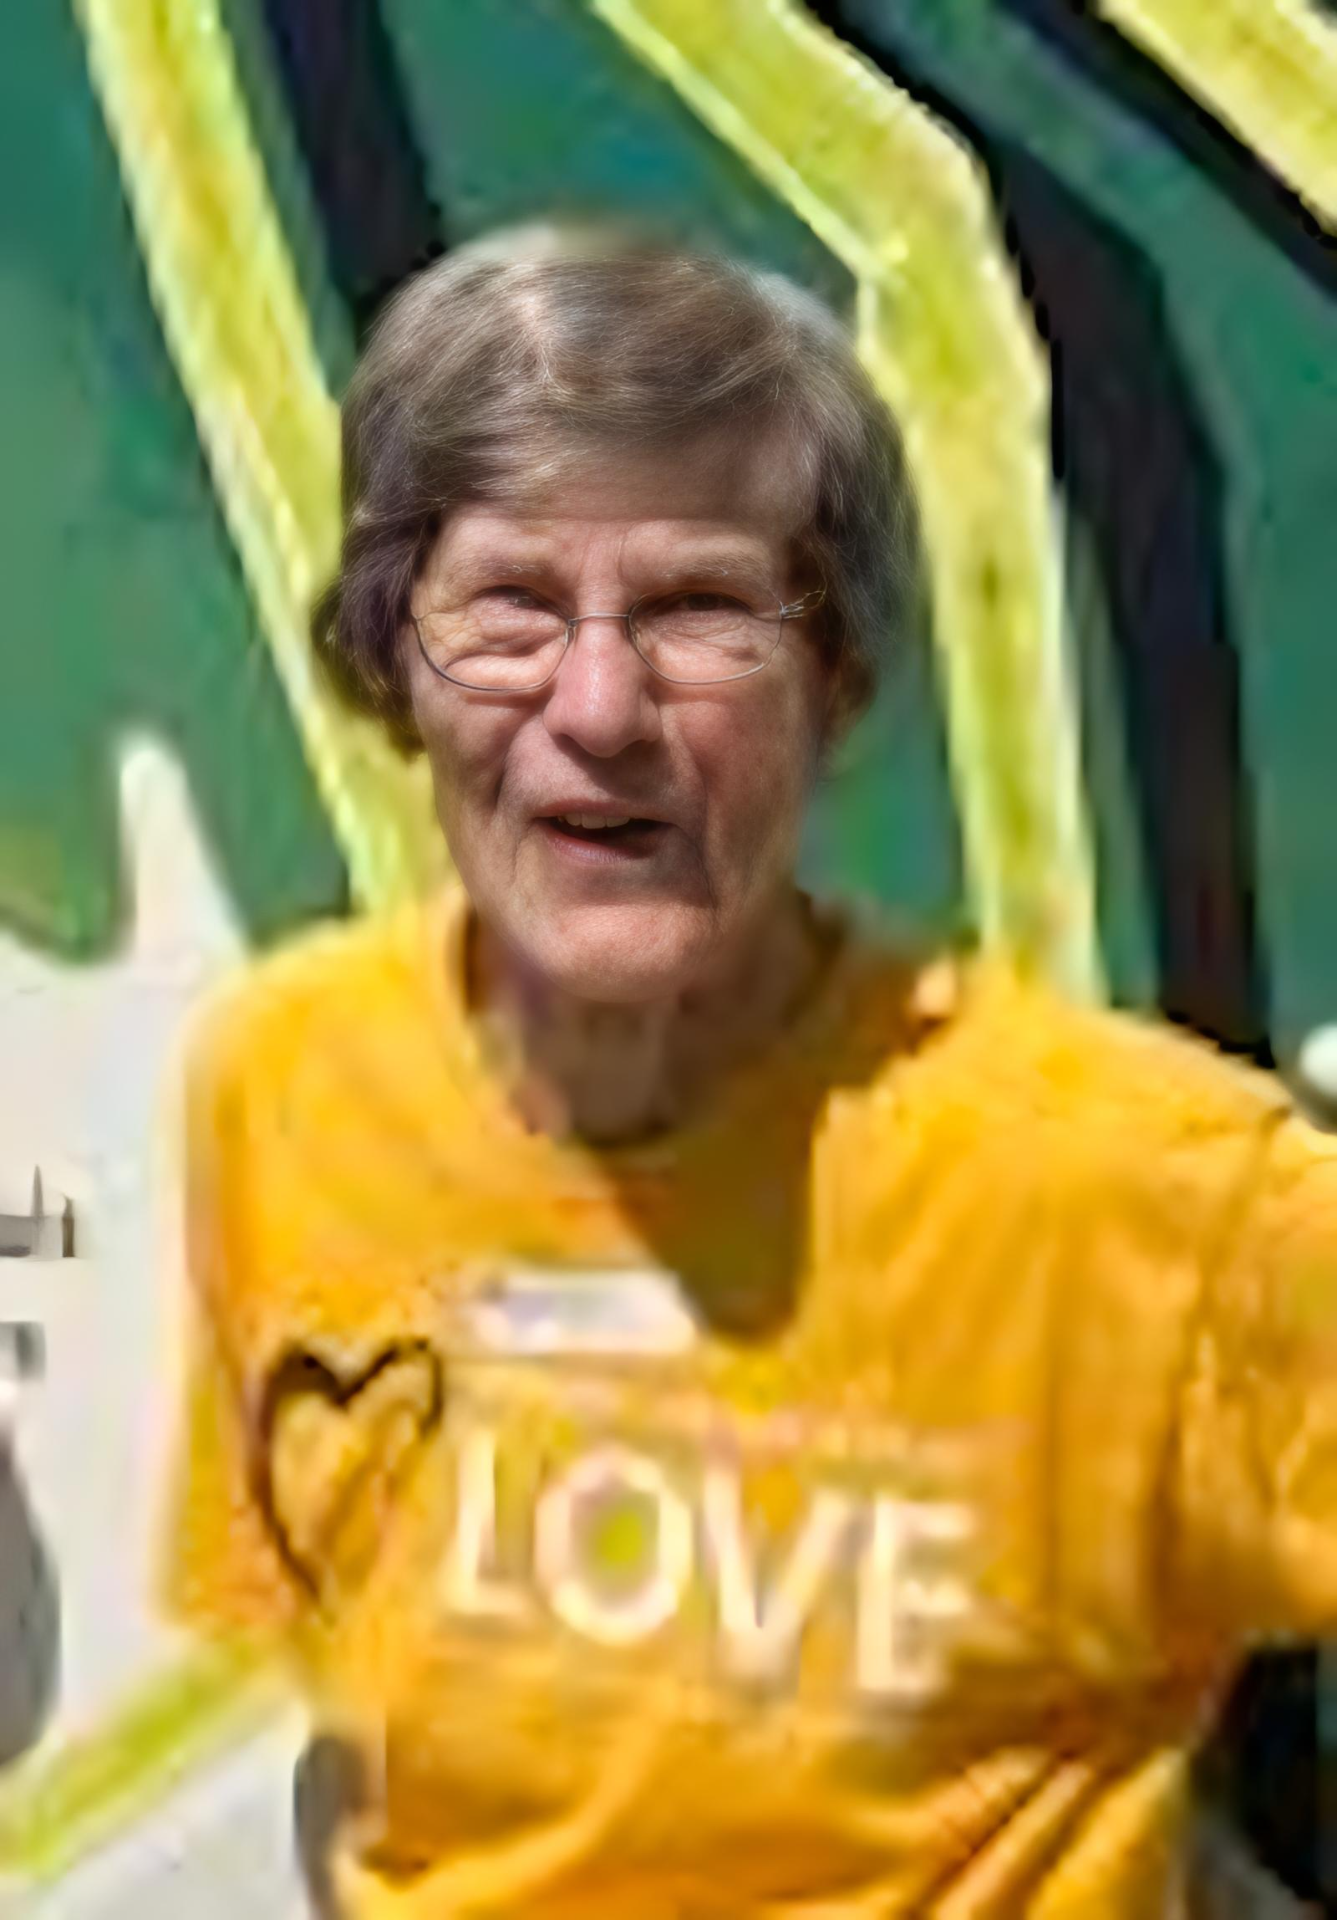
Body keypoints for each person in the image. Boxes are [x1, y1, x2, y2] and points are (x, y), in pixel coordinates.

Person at [161, 227, 1337, 1919]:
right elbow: (372, 1728)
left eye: (699, 610)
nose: (599, 706)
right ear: (390, 659)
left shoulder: (1146, 1198)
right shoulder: (283, 1084)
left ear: (833, 680)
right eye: (510, 609)